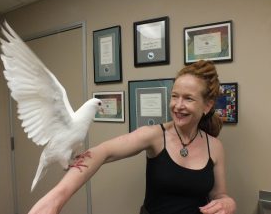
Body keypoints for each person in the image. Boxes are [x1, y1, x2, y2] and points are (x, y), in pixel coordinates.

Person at [28, 60, 236, 214]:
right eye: (174, 96)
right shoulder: (154, 136)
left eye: (188, 98)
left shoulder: (214, 147)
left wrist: (228, 202)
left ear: (207, 106)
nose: (177, 105)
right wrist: (55, 199)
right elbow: (103, 152)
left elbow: (219, 194)